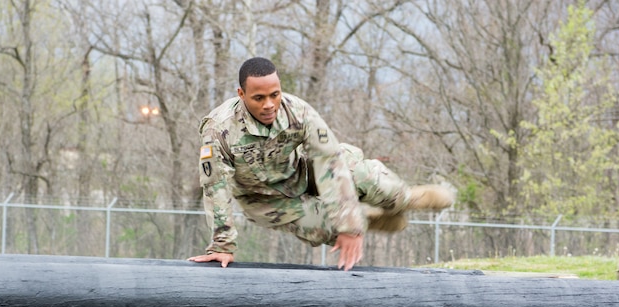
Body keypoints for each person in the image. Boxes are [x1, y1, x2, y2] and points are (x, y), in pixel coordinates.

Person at [187, 57, 453, 271]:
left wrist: (349, 224)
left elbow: (329, 161)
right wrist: (222, 245)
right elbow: (215, 186)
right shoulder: (219, 128)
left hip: (301, 172)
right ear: (241, 94)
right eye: (259, 98)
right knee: (325, 226)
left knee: (362, 176)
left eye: (274, 95)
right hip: (264, 200)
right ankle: (369, 219)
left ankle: (406, 198)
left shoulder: (297, 111)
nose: (269, 105)